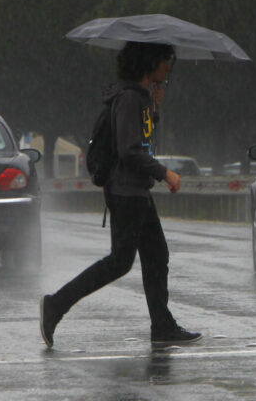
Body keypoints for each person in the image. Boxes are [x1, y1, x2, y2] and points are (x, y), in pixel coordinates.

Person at [40, 41, 201, 348]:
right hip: (127, 192)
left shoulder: (139, 98)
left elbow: (143, 139)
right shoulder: (128, 98)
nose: (168, 67)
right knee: (119, 262)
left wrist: (155, 108)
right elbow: (129, 150)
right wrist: (164, 172)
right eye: (165, 60)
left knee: (156, 255)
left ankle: (162, 326)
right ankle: (55, 305)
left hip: (136, 191)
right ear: (149, 62)